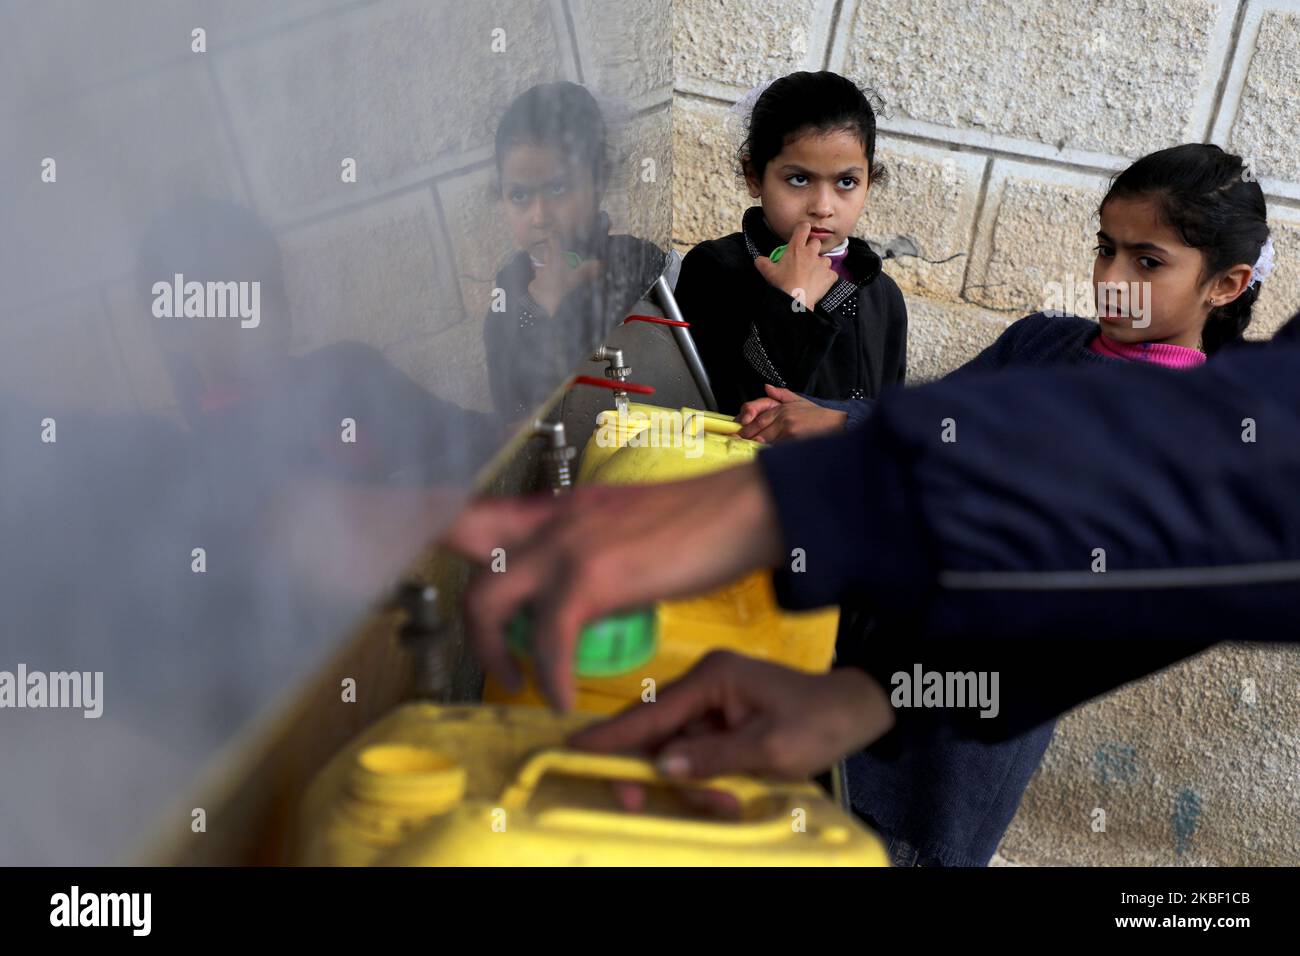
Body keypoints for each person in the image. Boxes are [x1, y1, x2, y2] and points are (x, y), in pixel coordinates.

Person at [441, 305, 1300, 785]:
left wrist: (823, 497)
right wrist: (880, 694)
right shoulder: (1046, 338)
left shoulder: (874, 296)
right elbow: (1192, 553)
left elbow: (1251, 473)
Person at [732, 143, 1275, 865]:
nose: (1113, 281)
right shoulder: (1041, 341)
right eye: (1105, 249)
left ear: (1226, 284)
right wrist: (811, 414)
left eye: (1148, 262)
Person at [672, 71, 907, 415]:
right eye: (799, 179)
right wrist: (792, 302)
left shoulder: (883, 295)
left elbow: (886, 419)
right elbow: (719, 407)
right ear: (755, 176)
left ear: (869, 182)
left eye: (846, 181)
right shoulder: (716, 269)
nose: (823, 207)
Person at [483, 81, 665, 422]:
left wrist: (561, 308)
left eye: (557, 188)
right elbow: (517, 418)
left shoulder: (637, 264)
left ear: (599, 180)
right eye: (519, 195)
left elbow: (646, 385)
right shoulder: (510, 289)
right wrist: (543, 307)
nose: (539, 217)